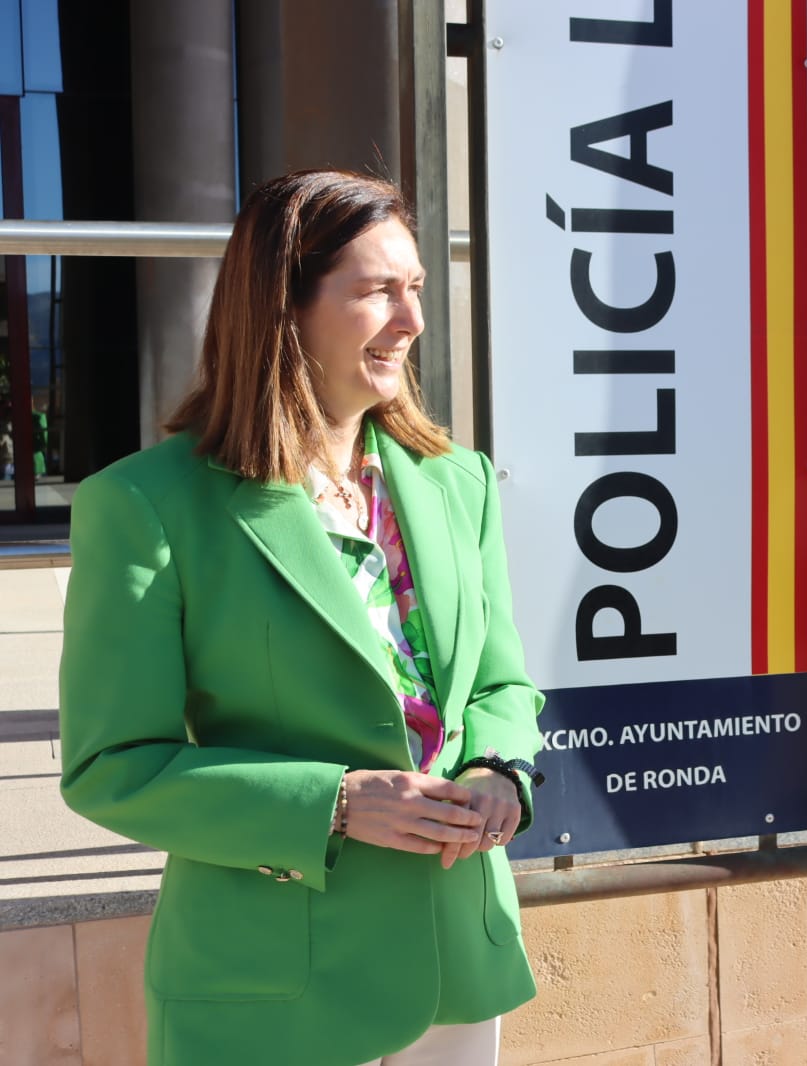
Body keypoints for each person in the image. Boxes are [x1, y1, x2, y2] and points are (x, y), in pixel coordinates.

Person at [58, 170, 544, 1066]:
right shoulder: (146, 505)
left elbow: (501, 684)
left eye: (416, 288)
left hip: (457, 960)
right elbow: (110, 766)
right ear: (284, 306)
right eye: (377, 291)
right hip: (272, 987)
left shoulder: (458, 482)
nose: (412, 319)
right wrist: (335, 803)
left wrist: (498, 772)